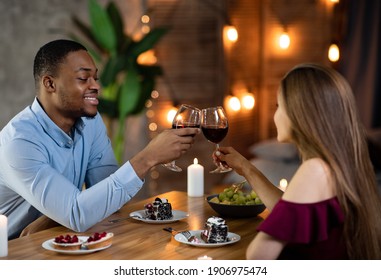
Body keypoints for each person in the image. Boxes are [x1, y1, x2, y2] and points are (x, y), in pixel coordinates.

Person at [0, 39, 200, 240]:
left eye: (95, 78)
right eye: (83, 78)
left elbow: (107, 195)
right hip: (12, 251)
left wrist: (52, 217)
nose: (96, 86)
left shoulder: (90, 122)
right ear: (50, 83)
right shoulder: (19, 143)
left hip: (56, 240)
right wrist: (147, 158)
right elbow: (77, 214)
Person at [216, 63, 381, 259]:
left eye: (278, 106)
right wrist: (246, 168)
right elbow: (289, 214)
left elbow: (258, 257)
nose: (275, 115)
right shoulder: (342, 164)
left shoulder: (315, 170)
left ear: (298, 113)